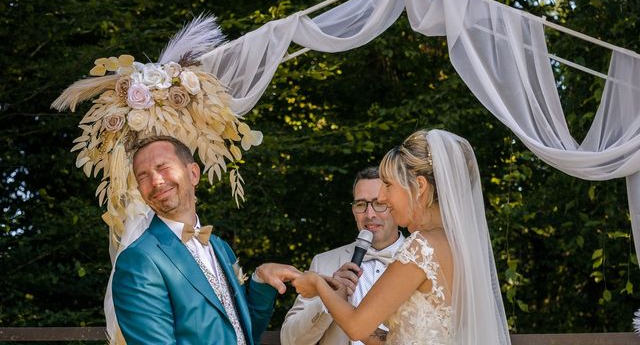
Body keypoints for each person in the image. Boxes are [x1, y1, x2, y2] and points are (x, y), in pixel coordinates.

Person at [292, 129, 511, 344]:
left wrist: (317, 283)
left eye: (388, 185)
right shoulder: (461, 247)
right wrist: (339, 301)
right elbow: (396, 338)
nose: (382, 197)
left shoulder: (422, 247)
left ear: (420, 187)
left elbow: (356, 327)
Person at [112, 135, 301, 345]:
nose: (156, 181)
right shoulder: (138, 260)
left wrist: (261, 281)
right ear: (140, 191)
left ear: (193, 173)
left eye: (163, 167)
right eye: (143, 176)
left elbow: (242, 332)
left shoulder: (221, 247)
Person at [281, 167, 404, 345]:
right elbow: (290, 341)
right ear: (354, 210)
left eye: (379, 203)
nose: (370, 214)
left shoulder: (422, 260)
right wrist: (328, 301)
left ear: (395, 206)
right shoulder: (323, 262)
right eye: (361, 204)